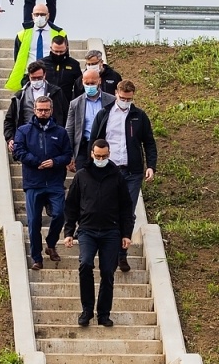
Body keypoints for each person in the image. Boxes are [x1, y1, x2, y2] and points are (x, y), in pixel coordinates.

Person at [60, 138, 133, 327]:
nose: (101, 159)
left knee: (108, 272)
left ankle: (103, 313)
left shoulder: (117, 176)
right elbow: (71, 206)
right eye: (98, 156)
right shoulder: (82, 176)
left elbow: (126, 207)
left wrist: (126, 234)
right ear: (92, 154)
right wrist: (69, 231)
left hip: (111, 232)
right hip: (87, 231)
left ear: (109, 155)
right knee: (85, 264)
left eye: (105, 156)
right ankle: (87, 310)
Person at [91, 80, 157, 272]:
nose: (125, 101)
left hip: (132, 172)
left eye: (129, 99)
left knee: (127, 212)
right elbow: (94, 140)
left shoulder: (139, 116)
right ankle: (108, 251)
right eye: (122, 98)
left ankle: (122, 254)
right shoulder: (104, 114)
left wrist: (151, 165)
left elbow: (149, 143)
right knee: (107, 210)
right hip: (108, 170)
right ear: (116, 93)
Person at [11, 94, 72, 270]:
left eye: (46, 110)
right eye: (40, 110)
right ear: (34, 110)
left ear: (51, 110)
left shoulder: (60, 132)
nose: (43, 113)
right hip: (33, 183)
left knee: (60, 214)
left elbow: (67, 154)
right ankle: (37, 257)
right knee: (34, 221)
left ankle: (51, 243)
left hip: (54, 182)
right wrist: (36, 162)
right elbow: (18, 152)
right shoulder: (23, 130)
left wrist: (55, 162)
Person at [65, 68, 115, 171]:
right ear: (82, 82)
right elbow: (69, 130)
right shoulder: (75, 104)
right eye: (87, 83)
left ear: (99, 81)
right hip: (83, 147)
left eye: (93, 83)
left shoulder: (112, 100)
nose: (90, 86)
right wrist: (70, 155)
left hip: (106, 146)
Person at [4, 61, 68, 141]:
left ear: (45, 75)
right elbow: (9, 119)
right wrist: (10, 138)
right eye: (33, 78)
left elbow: (66, 115)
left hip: (52, 137)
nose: (37, 80)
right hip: (28, 137)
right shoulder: (20, 96)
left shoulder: (56, 92)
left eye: (40, 77)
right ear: (29, 76)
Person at [5, 3, 59, 91]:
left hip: (50, 75)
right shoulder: (22, 34)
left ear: (48, 16)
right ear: (32, 16)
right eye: (36, 14)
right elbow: (17, 57)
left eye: (42, 14)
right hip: (29, 75)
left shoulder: (58, 33)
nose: (39, 17)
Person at [44, 34, 82, 101]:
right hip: (46, 101)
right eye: (56, 51)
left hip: (66, 101)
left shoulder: (74, 64)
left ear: (66, 49)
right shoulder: (42, 63)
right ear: (51, 48)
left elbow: (79, 85)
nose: (58, 54)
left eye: (61, 52)